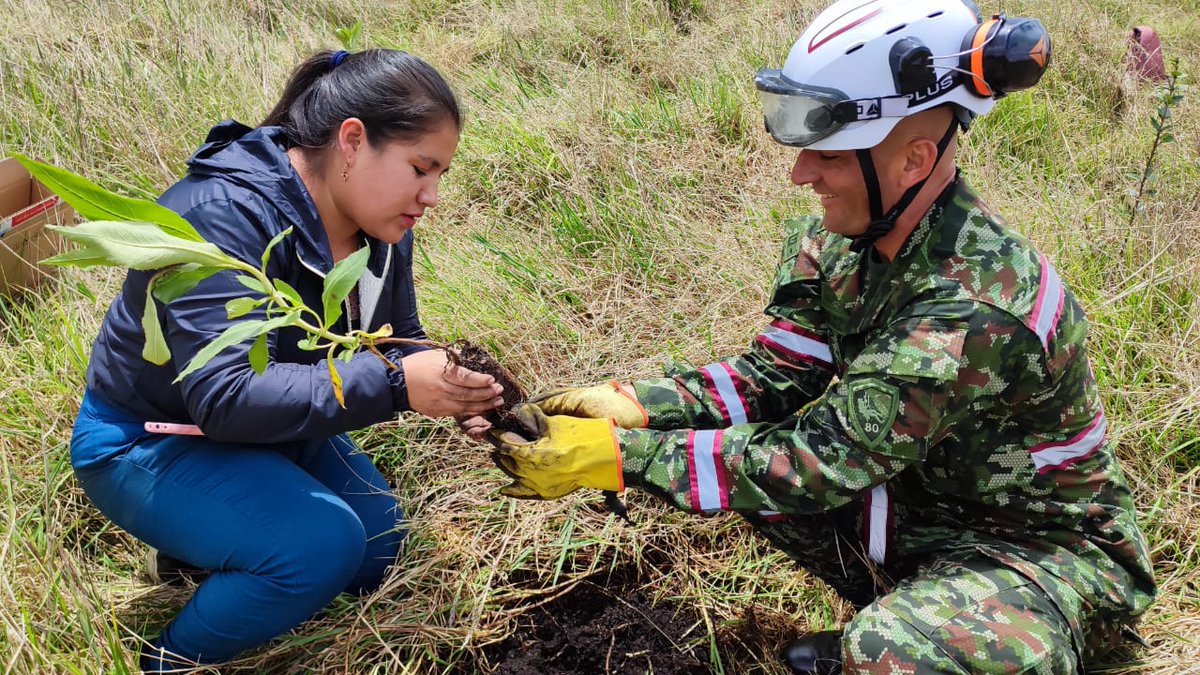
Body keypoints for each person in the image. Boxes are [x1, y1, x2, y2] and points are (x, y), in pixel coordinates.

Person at [483, 1, 1157, 672]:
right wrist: (636, 404)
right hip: (924, 512)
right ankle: (915, 617)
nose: (801, 174)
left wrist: (620, 456)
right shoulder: (847, 244)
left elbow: (817, 460)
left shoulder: (975, 309)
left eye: (828, 154)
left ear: (912, 161)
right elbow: (772, 377)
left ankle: (920, 643)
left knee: (868, 623)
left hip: (1039, 557)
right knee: (734, 469)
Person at [69, 48, 504, 672]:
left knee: (375, 544)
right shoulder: (220, 217)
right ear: (352, 141)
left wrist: (456, 387)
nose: (432, 195)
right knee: (321, 547)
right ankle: (167, 661)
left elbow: (395, 336)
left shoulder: (377, 226)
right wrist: (400, 386)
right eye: (421, 168)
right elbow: (224, 398)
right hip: (150, 439)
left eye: (441, 175)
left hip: (268, 429)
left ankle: (200, 550)